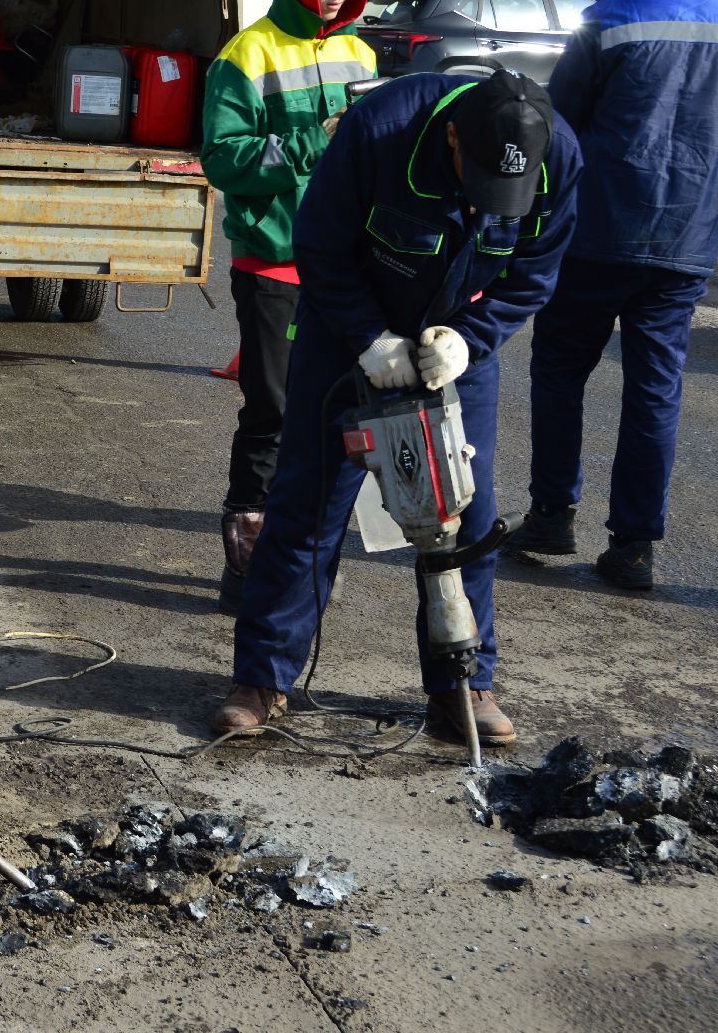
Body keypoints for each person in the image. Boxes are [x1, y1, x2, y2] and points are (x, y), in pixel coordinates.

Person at [211, 70, 581, 746]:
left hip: (454, 341)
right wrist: (369, 339)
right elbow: (320, 243)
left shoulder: (558, 158)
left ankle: (462, 686)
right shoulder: (380, 130)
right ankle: (262, 678)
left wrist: (470, 341)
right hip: (348, 334)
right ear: (450, 138)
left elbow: (534, 273)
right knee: (308, 508)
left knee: (465, 516)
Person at [506, 0, 718, 589]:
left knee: (561, 369)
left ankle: (551, 514)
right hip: (689, 235)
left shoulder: (612, 14)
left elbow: (557, 124)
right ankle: (634, 546)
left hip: (599, 229)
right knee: (655, 388)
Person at [200, 0, 377, 615]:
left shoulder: (362, 54)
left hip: (345, 268)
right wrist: (309, 140)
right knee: (272, 411)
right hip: (273, 262)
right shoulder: (246, 56)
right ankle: (245, 563)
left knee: (338, 417)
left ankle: (305, 563)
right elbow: (222, 159)